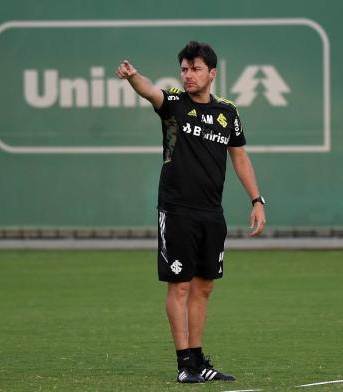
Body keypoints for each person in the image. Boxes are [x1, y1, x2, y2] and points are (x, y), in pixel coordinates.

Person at [116, 41, 266, 384]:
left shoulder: (228, 111)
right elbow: (149, 92)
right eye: (184, 68)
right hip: (177, 210)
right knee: (179, 286)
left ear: (212, 73)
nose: (188, 75)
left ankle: (199, 361)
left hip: (212, 212)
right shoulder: (173, 104)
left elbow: (239, 156)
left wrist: (257, 200)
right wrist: (132, 76)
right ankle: (184, 363)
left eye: (195, 69)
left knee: (204, 287)